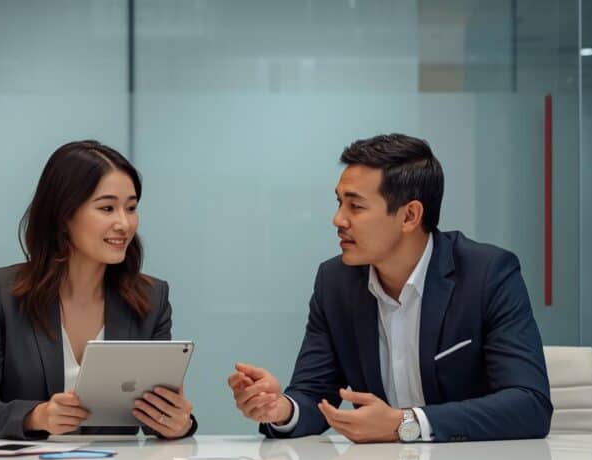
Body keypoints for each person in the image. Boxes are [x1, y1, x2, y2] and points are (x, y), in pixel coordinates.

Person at [227, 133, 551, 442]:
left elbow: (529, 404)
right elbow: (314, 395)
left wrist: (404, 423)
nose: (338, 220)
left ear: (409, 216)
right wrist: (280, 408)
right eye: (339, 203)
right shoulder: (335, 282)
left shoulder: (486, 274)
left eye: (355, 206)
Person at [0, 140, 196, 440]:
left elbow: (156, 413)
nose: (124, 223)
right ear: (64, 215)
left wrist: (178, 424)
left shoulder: (151, 298)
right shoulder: (3, 292)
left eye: (131, 208)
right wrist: (36, 416)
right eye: (107, 208)